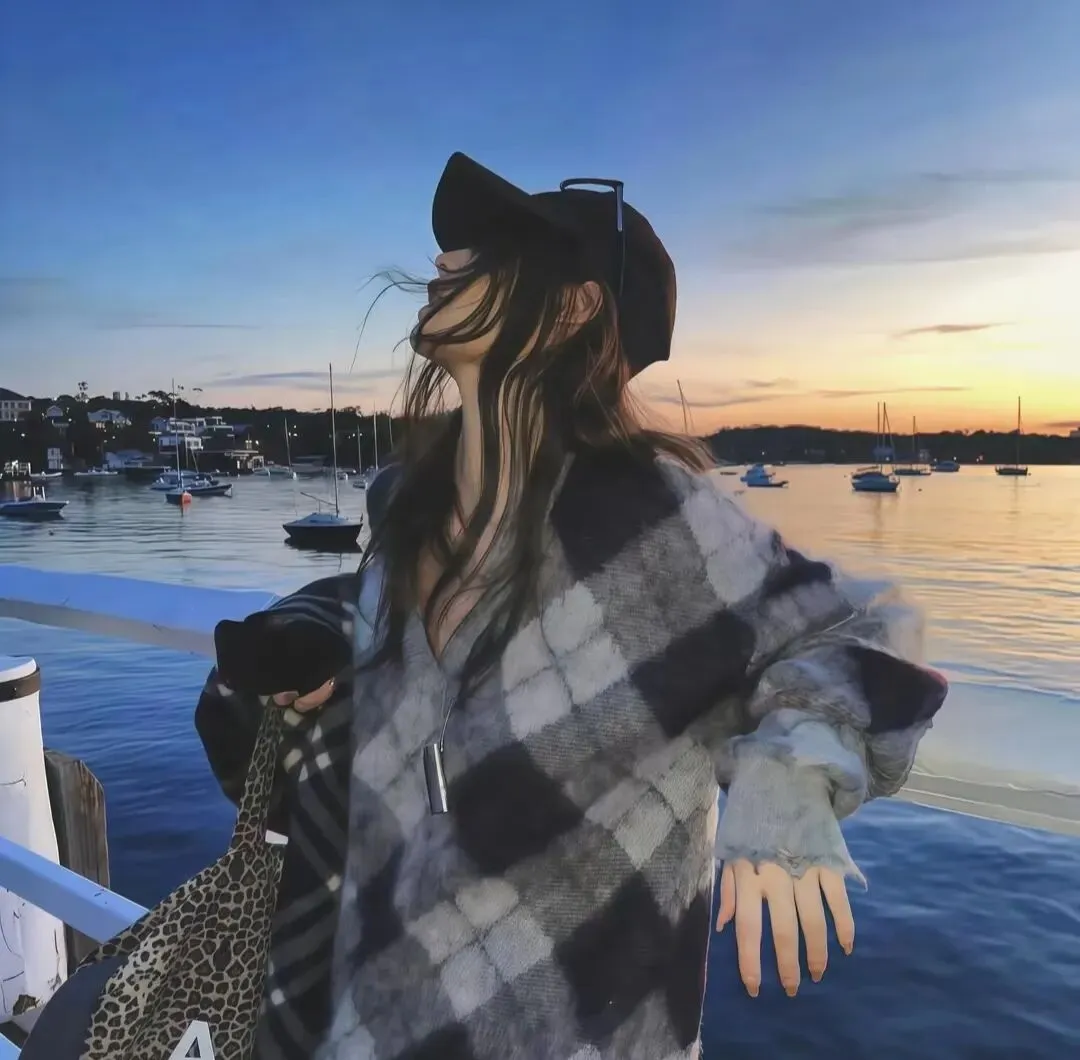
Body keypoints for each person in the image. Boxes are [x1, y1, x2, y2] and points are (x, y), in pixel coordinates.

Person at [197, 152, 948, 1060]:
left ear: (572, 308)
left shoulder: (648, 520)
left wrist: (787, 780)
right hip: (371, 1019)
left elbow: (860, 630)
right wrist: (324, 635)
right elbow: (401, 630)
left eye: (489, 250)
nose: (443, 260)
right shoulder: (403, 503)